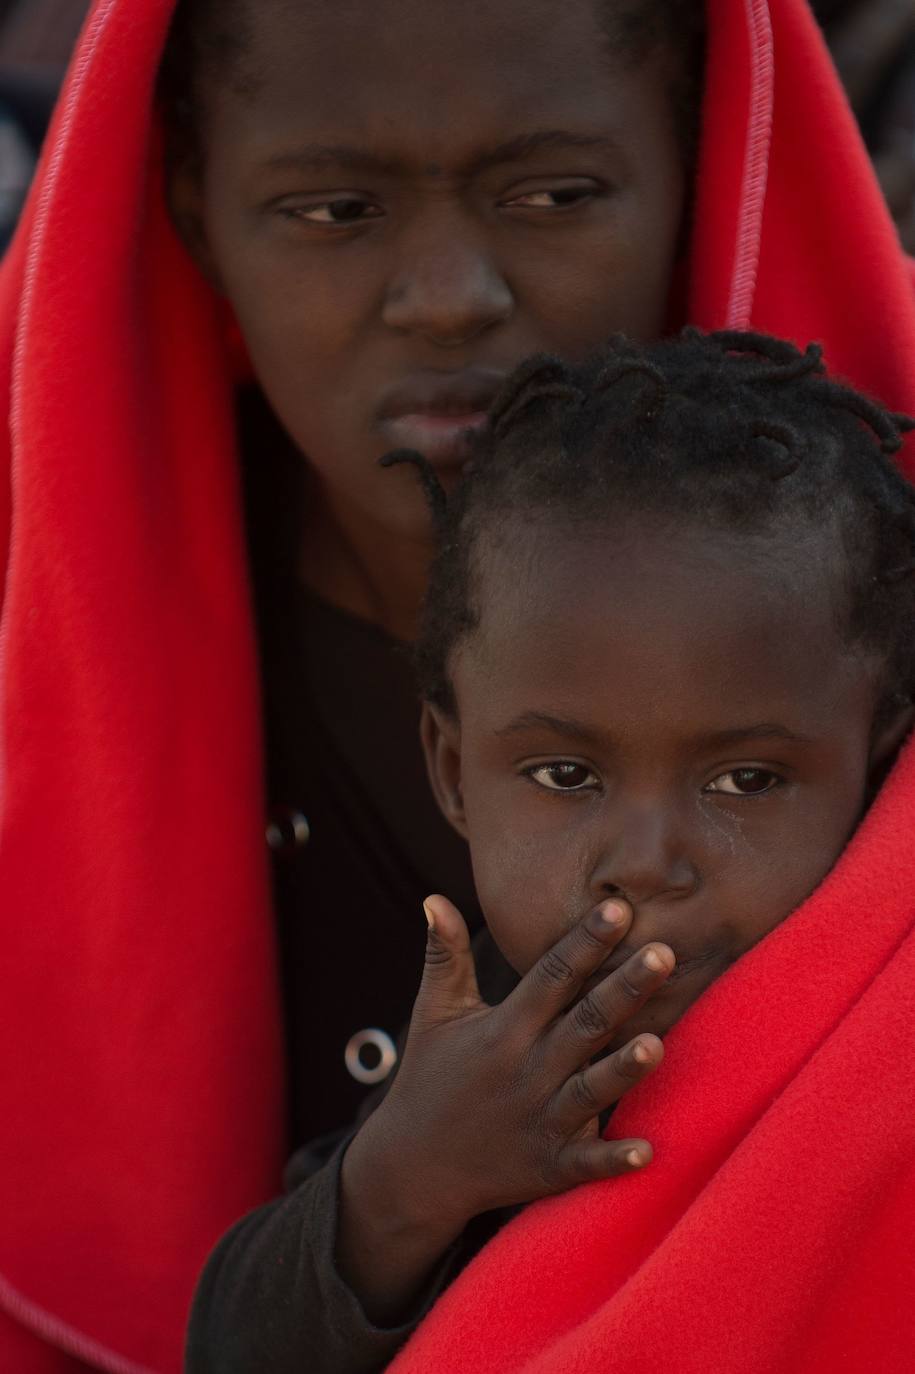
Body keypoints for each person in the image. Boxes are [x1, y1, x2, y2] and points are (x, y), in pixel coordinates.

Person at [2, 1, 915, 1371]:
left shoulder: (869, 609)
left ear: (695, 159)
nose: (445, 293)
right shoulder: (53, 625)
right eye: (330, 209)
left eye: (550, 192)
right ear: (191, 201)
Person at [185, 329, 915, 1372]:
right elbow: (227, 1352)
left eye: (745, 782)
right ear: (450, 767)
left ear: (877, 765)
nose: (646, 861)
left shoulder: (888, 1039)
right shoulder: (484, 1048)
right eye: (567, 776)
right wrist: (405, 1182)